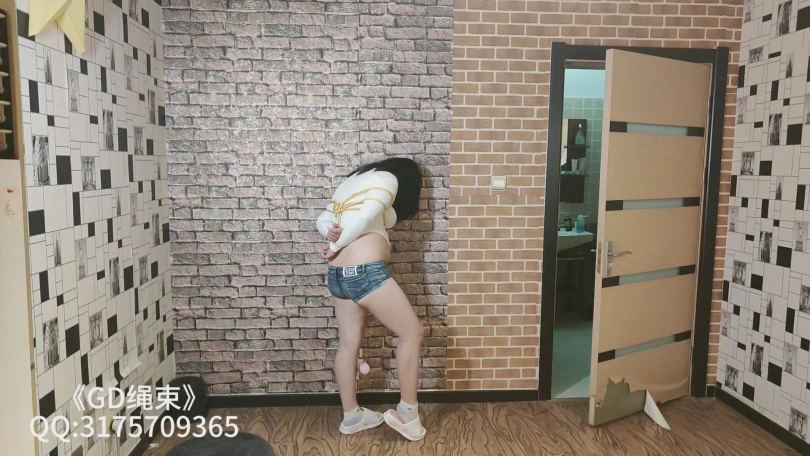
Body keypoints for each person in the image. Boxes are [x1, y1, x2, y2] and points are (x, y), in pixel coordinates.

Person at [316, 157, 426, 441]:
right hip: (365, 273)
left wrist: (333, 241)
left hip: (337, 274)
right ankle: (408, 415)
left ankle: (352, 417)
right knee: (412, 333)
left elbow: (328, 220)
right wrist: (336, 244)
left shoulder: (353, 184)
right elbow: (365, 218)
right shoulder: (388, 181)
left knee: (348, 343)